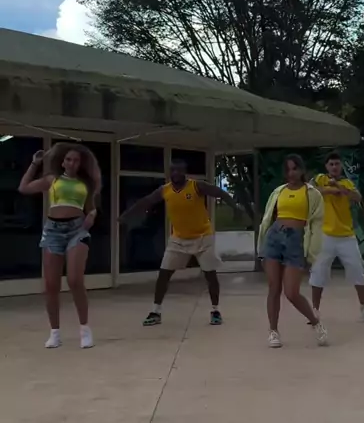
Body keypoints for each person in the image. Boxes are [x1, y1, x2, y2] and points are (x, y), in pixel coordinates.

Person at [119, 158, 240, 327]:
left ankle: (215, 310)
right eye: (173, 170)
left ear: (185, 172)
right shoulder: (165, 190)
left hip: (203, 237)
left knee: (210, 274)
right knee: (164, 274)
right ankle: (155, 311)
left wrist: (235, 208)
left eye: (179, 170)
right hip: (178, 240)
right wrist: (126, 215)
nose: (176, 173)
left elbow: (219, 192)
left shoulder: (196, 186)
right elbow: (146, 201)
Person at [18, 142, 101, 349]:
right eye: (68, 159)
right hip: (53, 231)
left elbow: (91, 207)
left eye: (76, 160)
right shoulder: (52, 179)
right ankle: (54, 333)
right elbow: (24, 188)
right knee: (51, 285)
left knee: (74, 280)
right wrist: (35, 164)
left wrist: (92, 215)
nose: (72, 163)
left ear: (80, 164)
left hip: (77, 230)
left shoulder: (85, 184)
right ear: (62, 162)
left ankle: (85, 329)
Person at [258, 153, 328, 349]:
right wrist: (262, 243)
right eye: (288, 169)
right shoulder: (278, 191)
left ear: (302, 169)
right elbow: (268, 217)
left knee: (291, 292)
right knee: (273, 288)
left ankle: (315, 322)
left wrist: (311, 253)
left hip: (296, 240)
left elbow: (317, 225)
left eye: (295, 168)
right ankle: (273, 331)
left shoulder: (312, 193)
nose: (291, 173)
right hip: (274, 237)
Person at [309, 151, 364, 324]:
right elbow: (309, 190)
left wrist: (340, 188)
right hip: (325, 235)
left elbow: (357, 197)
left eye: (337, 164)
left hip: (346, 236)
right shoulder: (320, 179)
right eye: (331, 164)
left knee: (357, 271)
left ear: (341, 166)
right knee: (318, 272)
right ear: (326, 166)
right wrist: (330, 189)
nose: (334, 167)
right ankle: (314, 312)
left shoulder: (347, 183)